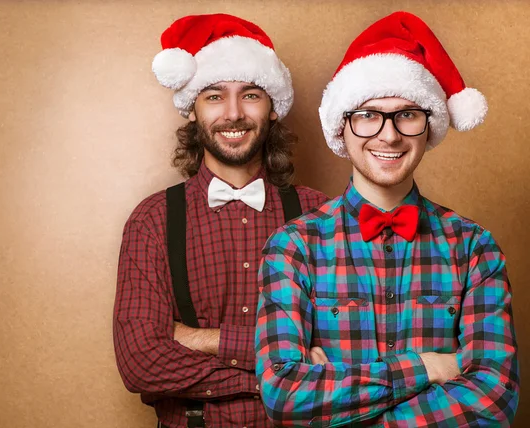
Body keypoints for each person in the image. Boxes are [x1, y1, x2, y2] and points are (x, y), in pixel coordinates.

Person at [255, 11, 519, 427]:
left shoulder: (475, 248)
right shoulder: (292, 248)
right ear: (342, 128)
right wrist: (428, 368)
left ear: (428, 127)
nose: (389, 135)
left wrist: (340, 401)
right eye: (367, 115)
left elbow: (494, 397)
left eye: (407, 114)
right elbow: (285, 394)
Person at [113, 13, 328, 428]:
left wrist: (194, 339)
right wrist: (275, 368)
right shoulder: (153, 220)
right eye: (214, 96)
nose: (233, 114)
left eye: (250, 95)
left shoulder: (319, 214)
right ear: (192, 110)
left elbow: (342, 350)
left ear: (273, 108)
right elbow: (140, 363)